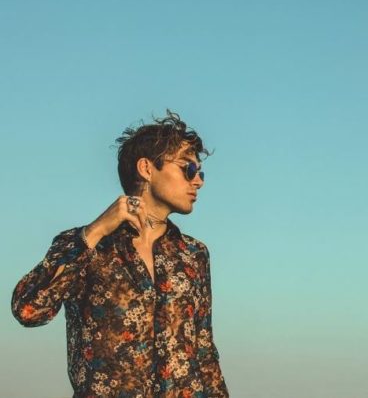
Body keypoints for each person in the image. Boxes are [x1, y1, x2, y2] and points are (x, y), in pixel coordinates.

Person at [11, 110, 229, 398]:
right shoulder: (86, 246)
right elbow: (28, 310)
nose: (198, 181)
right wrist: (96, 230)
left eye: (200, 172)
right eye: (188, 169)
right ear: (146, 168)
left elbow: (204, 352)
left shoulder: (194, 255)